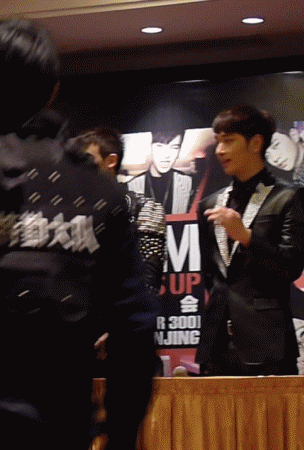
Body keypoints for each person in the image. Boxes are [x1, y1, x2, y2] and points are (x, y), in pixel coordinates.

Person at [0, 18, 158, 450]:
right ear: (53, 89)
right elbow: (135, 330)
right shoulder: (100, 191)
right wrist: (121, 436)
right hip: (60, 424)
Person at [195, 104, 304, 376]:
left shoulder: (291, 197)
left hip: (268, 343)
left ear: (256, 143)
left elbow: (290, 267)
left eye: (229, 141)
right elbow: (210, 275)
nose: (220, 150)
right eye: (217, 141)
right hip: (215, 344)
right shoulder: (210, 204)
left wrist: (247, 237)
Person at [76, 126, 166, 294]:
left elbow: (148, 284)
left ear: (111, 161)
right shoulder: (70, 210)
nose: (80, 166)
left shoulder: (145, 209)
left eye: (87, 158)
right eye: (76, 160)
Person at [128, 128, 193, 214]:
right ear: (150, 147)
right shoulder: (131, 185)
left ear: (179, 150)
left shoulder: (189, 183)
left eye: (174, 147)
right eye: (159, 146)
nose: (166, 155)